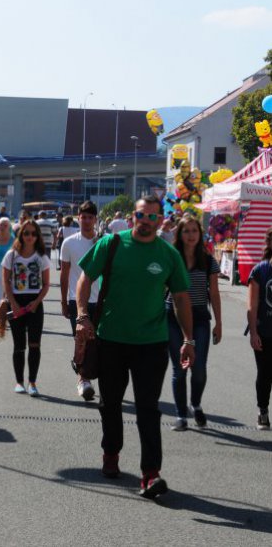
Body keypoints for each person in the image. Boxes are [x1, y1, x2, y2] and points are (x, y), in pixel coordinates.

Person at [76, 196, 194, 499]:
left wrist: (188, 340)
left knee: (148, 409)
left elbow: (181, 298)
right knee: (110, 404)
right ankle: (111, 453)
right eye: (142, 215)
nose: (147, 221)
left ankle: (150, 473)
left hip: (151, 344)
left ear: (160, 221)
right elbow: (85, 278)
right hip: (111, 339)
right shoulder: (112, 244)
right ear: (133, 216)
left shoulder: (168, 255)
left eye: (153, 218)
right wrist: (82, 316)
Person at [168, 217, 222, 431]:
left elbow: (215, 294)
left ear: (200, 235)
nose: (190, 235)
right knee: (179, 369)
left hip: (200, 317)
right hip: (173, 317)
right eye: (186, 231)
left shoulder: (208, 261)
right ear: (179, 235)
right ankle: (181, 415)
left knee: (198, 368)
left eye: (194, 231)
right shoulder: (172, 259)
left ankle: (196, 404)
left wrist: (219, 323)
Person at [2, 219, 51, 395]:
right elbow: (6, 281)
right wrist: (13, 304)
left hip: (35, 303)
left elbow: (46, 284)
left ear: (37, 236)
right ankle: (19, 382)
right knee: (19, 345)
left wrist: (36, 302)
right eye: (26, 233)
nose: (30, 236)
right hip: (16, 301)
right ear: (21, 234)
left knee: (35, 344)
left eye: (33, 233)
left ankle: (32, 382)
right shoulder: (11, 255)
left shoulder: (42, 257)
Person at [59, 201, 100, 401]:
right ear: (78, 218)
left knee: (100, 342)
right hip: (77, 300)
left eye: (90, 217)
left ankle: (95, 375)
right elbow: (64, 274)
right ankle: (83, 380)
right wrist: (63, 300)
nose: (86, 221)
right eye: (83, 217)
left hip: (101, 300)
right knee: (82, 340)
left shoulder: (104, 241)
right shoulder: (69, 242)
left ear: (95, 219)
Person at [245, 226, 272, 431]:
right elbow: (252, 305)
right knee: (264, 374)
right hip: (264, 331)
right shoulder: (260, 270)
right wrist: (253, 332)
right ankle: (263, 411)